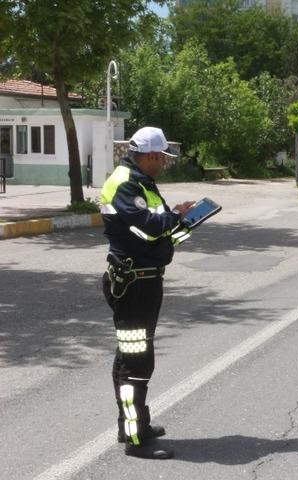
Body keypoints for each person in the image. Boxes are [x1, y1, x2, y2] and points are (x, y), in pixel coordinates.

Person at [100, 127, 194, 460]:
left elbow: (161, 239)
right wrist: (174, 217)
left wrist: (186, 224)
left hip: (146, 280)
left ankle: (134, 424)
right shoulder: (126, 183)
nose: (166, 164)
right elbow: (147, 226)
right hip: (133, 284)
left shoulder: (142, 183)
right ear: (151, 156)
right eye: (164, 159)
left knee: (134, 357)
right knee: (135, 362)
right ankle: (135, 440)